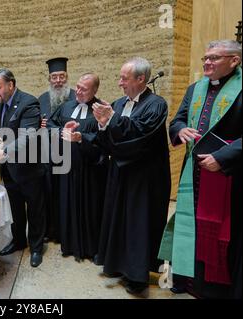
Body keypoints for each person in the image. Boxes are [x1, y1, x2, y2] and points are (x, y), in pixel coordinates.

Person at [159, 40, 242, 299]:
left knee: (221, 232)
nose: (207, 62)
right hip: (193, 172)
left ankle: (215, 288)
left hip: (229, 176)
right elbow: (178, 119)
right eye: (205, 58)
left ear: (234, 61)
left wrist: (223, 158)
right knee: (190, 226)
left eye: (214, 58)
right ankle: (188, 279)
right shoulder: (196, 88)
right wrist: (180, 129)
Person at [89, 57, 171, 295]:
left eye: (124, 78)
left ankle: (137, 274)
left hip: (144, 176)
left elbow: (141, 134)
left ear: (141, 79)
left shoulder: (156, 104)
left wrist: (111, 119)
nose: (119, 83)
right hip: (120, 172)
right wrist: (103, 125)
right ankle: (116, 264)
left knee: (138, 223)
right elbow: (108, 140)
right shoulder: (118, 103)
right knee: (118, 218)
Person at [0, 68, 46, 267]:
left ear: (10, 85)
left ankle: (37, 247)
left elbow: (28, 136)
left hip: (29, 169)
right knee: (15, 209)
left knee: (35, 211)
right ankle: (19, 240)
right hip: (9, 170)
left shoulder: (29, 102)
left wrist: (3, 152)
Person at [47, 73, 107, 262]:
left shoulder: (101, 110)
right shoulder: (66, 105)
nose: (78, 92)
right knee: (66, 203)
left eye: (84, 89)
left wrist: (81, 138)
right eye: (78, 87)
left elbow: (105, 139)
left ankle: (90, 248)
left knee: (89, 207)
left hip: (89, 170)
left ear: (95, 91)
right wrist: (62, 130)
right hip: (66, 166)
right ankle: (69, 243)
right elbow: (50, 124)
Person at [38, 57, 76, 243]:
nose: (58, 80)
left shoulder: (77, 97)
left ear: (67, 77)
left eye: (62, 76)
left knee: (67, 195)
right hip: (47, 155)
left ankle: (67, 232)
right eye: (54, 77)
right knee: (48, 193)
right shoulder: (42, 99)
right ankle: (49, 231)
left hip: (70, 154)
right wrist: (40, 125)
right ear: (49, 79)